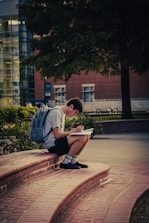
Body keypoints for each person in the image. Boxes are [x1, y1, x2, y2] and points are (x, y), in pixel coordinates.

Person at [43, 97, 90, 169]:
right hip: (52, 145)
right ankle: (65, 162)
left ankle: (73, 161)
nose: (74, 115)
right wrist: (72, 132)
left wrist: (73, 132)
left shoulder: (62, 113)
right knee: (81, 137)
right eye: (75, 112)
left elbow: (59, 134)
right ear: (71, 106)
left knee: (86, 136)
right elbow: (57, 135)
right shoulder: (56, 113)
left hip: (57, 143)